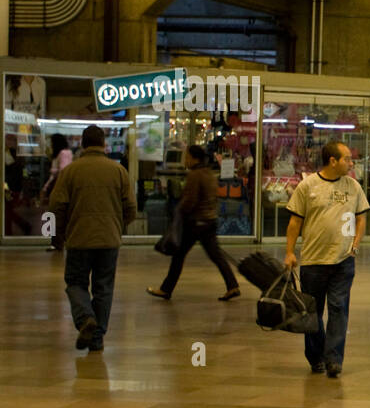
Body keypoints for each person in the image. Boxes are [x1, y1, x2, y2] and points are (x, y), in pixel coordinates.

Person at [284, 142, 370, 378]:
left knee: (338, 308)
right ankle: (316, 357)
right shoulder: (307, 186)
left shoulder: (353, 186)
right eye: (347, 159)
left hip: (343, 261)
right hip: (313, 261)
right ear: (333, 161)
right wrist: (290, 252)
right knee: (312, 312)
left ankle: (334, 359)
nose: (351, 163)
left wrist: (355, 244)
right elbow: (295, 223)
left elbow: (361, 217)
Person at [49, 125, 136, 352]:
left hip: (78, 239)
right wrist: (117, 226)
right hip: (109, 240)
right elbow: (131, 208)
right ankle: (97, 339)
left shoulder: (70, 172)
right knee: (104, 288)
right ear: (104, 144)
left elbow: (55, 206)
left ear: (83, 144)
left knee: (75, 283)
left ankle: (85, 318)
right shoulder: (118, 171)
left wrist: (57, 234)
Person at [146, 146, 240, 301]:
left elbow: (190, 200)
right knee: (216, 256)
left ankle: (166, 289)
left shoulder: (195, 175)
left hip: (196, 223)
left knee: (179, 255)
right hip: (209, 220)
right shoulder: (209, 173)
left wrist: (179, 210)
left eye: (187, 157)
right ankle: (232, 285)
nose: (185, 160)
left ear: (194, 158)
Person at [42, 133, 75, 251]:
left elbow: (63, 171)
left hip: (59, 187)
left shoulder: (63, 153)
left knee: (57, 214)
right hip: (56, 186)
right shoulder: (62, 153)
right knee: (56, 214)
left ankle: (58, 242)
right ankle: (57, 241)